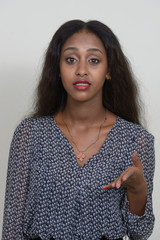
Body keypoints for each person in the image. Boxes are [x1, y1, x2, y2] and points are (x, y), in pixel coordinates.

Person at [2, 20, 155, 240]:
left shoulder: (136, 140)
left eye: (94, 60)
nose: (81, 70)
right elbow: (11, 228)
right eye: (71, 59)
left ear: (109, 70)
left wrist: (138, 189)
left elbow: (140, 233)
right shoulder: (30, 134)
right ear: (57, 69)